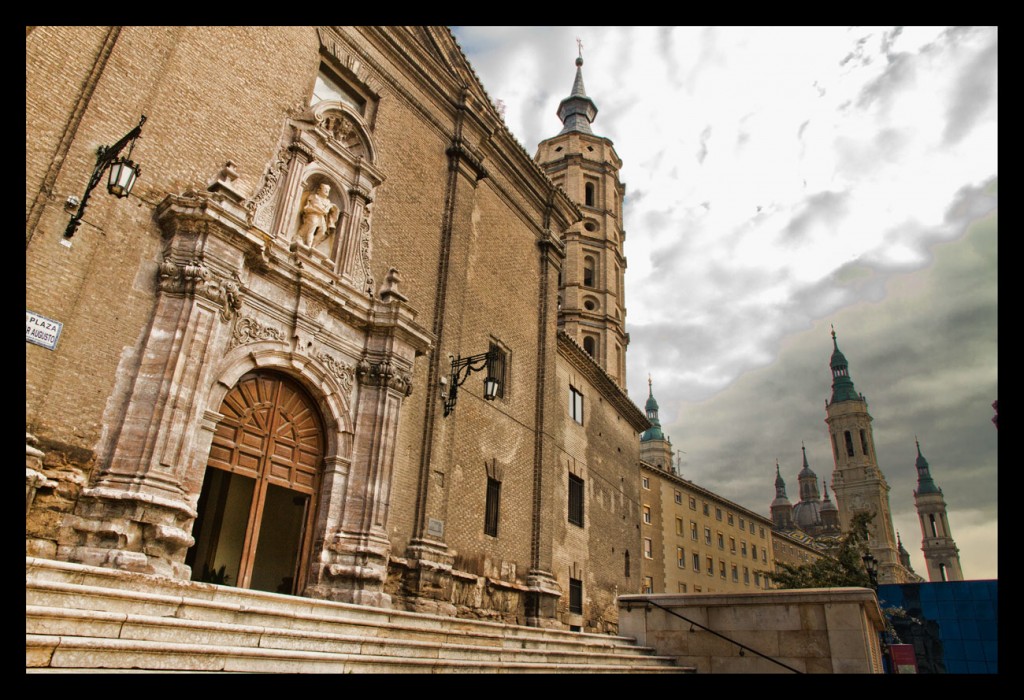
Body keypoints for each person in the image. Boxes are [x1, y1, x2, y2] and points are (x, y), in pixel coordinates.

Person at [296, 183, 339, 247]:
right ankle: (308, 245)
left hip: (321, 217)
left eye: (328, 190)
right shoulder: (314, 197)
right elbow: (313, 207)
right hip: (313, 214)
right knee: (312, 225)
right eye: (325, 189)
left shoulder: (327, 201)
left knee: (322, 231)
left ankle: (313, 245)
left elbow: (326, 211)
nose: (327, 191)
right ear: (319, 190)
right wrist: (322, 210)